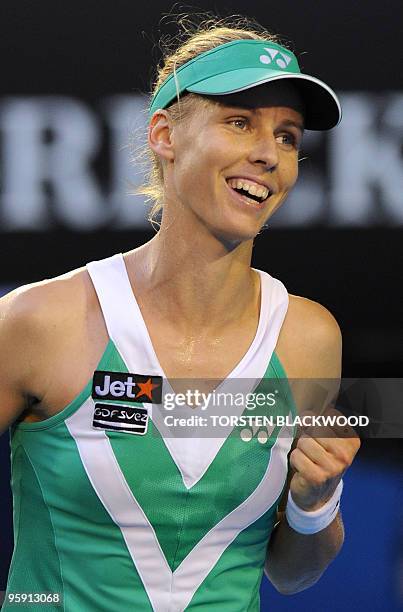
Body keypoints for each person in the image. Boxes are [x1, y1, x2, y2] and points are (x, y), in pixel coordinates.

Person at [0, 15, 360, 612]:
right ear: (165, 135)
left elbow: (292, 574)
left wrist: (314, 500)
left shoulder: (309, 338)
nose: (269, 154)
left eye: (288, 136)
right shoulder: (40, 321)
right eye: (240, 122)